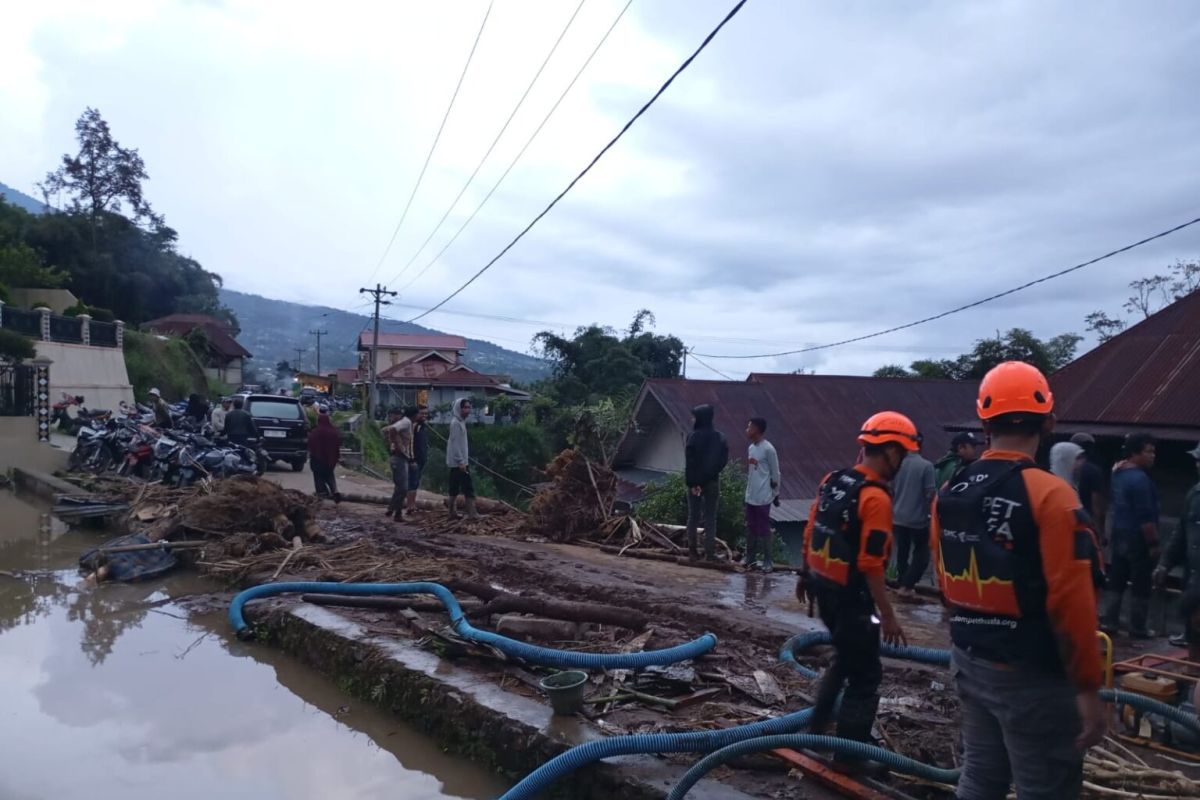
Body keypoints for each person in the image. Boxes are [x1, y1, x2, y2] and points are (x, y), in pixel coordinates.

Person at [932, 361, 1105, 800]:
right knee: (1044, 789)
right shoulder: (1052, 495)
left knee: (980, 779)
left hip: (971, 657)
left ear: (984, 423)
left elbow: (946, 582)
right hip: (1034, 674)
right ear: (1049, 421)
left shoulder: (951, 490)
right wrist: (1087, 688)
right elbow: (1073, 603)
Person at [796, 410, 910, 765]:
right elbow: (871, 564)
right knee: (865, 675)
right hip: (853, 601)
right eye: (902, 454)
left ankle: (813, 732)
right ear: (890, 451)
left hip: (824, 591)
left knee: (845, 659)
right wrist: (887, 615)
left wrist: (804, 573)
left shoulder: (834, 480)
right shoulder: (875, 498)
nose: (902, 462)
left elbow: (811, 530)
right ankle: (850, 756)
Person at [1101, 433, 1160, 638]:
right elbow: (1146, 515)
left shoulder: (1117, 473)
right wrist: (1153, 543)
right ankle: (1138, 627)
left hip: (1119, 533)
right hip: (1138, 537)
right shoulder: (1140, 480)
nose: (1153, 456)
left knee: (1117, 579)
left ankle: (1110, 621)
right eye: (1148, 451)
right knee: (1141, 583)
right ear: (1136, 453)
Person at [1154, 443, 1200, 652]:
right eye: (1197, 461)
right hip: (1194, 581)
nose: (1198, 466)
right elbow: (1180, 534)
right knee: (1194, 641)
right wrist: (1164, 564)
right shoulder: (1194, 494)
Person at [684, 404, 729, 561]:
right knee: (710, 517)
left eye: (694, 416)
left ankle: (692, 551)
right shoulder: (719, 437)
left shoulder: (692, 437)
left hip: (694, 484)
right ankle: (710, 553)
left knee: (693, 516)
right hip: (712, 482)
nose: (692, 419)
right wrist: (707, 477)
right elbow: (722, 461)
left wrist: (694, 483)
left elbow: (690, 462)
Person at [893, 438, 936, 601]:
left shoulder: (897, 465)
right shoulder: (926, 466)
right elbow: (930, 493)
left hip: (897, 516)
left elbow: (891, 488)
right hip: (918, 518)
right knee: (922, 554)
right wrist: (929, 513)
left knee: (902, 552)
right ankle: (907, 586)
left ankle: (902, 583)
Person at [743, 417, 781, 572]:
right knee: (750, 526)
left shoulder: (768, 449)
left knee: (764, 528)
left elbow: (775, 472)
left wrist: (776, 493)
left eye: (749, 426)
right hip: (751, 494)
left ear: (757, 429)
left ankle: (768, 560)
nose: (747, 429)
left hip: (763, 495)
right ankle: (750, 557)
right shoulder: (751, 448)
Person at [446, 398, 482, 520]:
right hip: (458, 463)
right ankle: (472, 513)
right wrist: (461, 462)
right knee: (467, 487)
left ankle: (452, 512)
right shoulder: (456, 423)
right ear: (458, 408)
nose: (467, 410)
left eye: (468, 407)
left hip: (460, 461)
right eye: (465, 407)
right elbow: (455, 444)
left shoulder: (461, 422)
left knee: (454, 486)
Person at [1071, 432, 1110, 544]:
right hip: (1086, 523)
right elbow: (1097, 505)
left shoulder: (1064, 467)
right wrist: (1101, 533)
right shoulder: (1093, 471)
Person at [384, 407, 412, 521]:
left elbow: (389, 430)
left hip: (398, 457)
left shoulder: (404, 423)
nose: (390, 418)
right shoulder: (403, 423)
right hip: (399, 457)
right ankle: (398, 514)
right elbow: (390, 430)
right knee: (403, 488)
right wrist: (398, 446)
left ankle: (391, 509)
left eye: (391, 416)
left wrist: (394, 442)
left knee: (399, 487)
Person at [308, 405, 341, 500]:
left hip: (318, 460)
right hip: (330, 460)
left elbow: (311, 446)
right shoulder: (334, 432)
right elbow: (337, 446)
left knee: (318, 477)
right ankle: (335, 491)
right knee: (330, 475)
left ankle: (322, 494)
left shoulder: (315, 432)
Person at [406, 405, 429, 515]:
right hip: (415, 460)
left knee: (416, 482)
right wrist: (412, 460)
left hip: (422, 459)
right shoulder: (414, 426)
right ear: (416, 414)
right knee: (412, 482)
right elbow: (410, 444)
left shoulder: (423, 426)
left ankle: (413, 504)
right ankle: (410, 506)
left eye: (426, 413)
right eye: (422, 413)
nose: (424, 415)